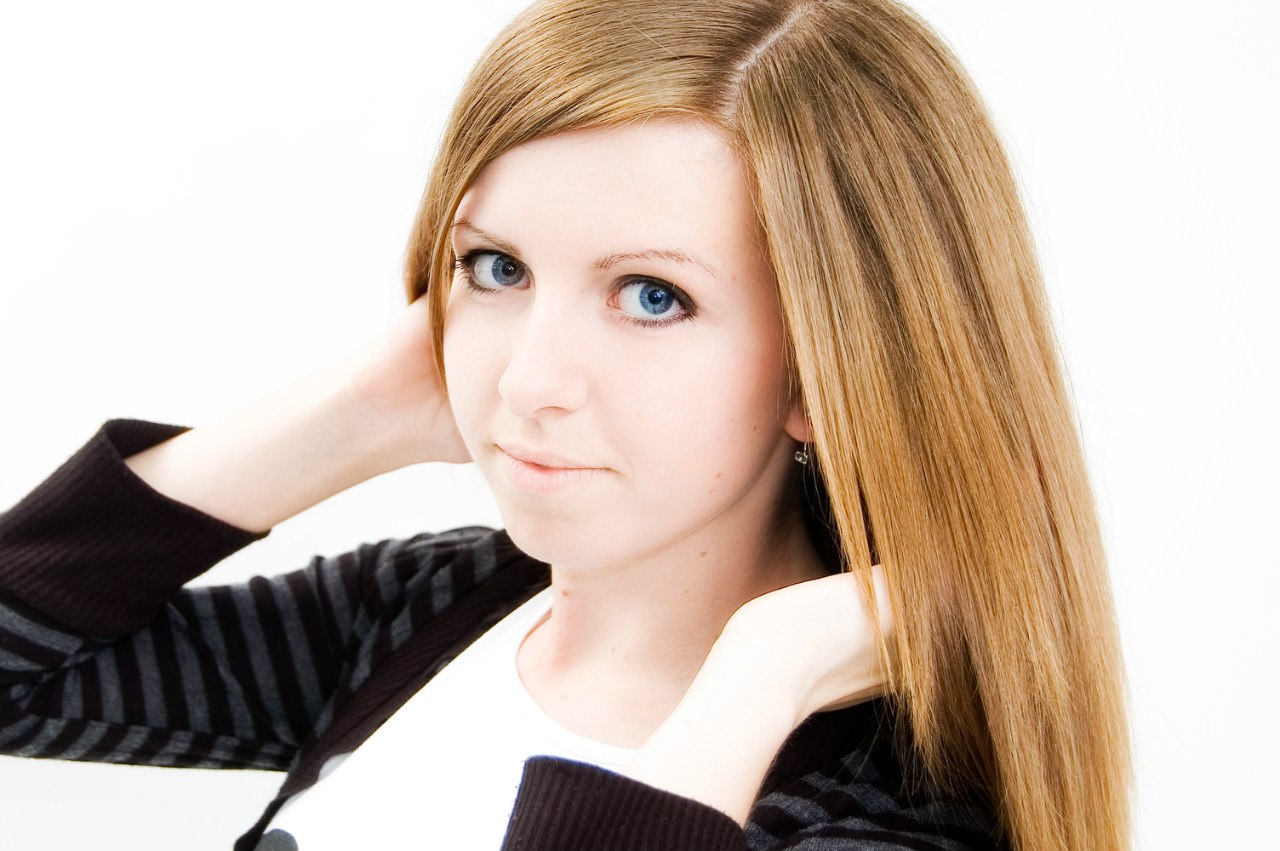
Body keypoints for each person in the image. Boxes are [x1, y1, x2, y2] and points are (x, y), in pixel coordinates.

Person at [0, 1, 1131, 849]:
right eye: (497, 266)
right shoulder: (434, 608)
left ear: (828, 370)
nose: (529, 378)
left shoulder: (875, 822)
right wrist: (353, 414)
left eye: (652, 295)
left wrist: (760, 679)